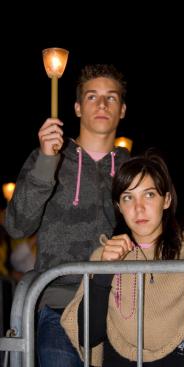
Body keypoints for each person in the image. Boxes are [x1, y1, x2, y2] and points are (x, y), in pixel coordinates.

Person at [61, 150, 184, 367]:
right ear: (119, 207)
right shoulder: (105, 256)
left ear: (167, 200)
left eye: (149, 194)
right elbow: (88, 335)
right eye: (128, 197)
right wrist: (102, 274)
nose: (139, 208)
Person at [4, 64, 130, 367]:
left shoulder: (133, 168)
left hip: (123, 309)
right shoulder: (47, 158)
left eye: (111, 98)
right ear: (76, 107)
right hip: (61, 306)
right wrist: (47, 161)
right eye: (92, 97)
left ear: (122, 110)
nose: (102, 105)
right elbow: (17, 225)